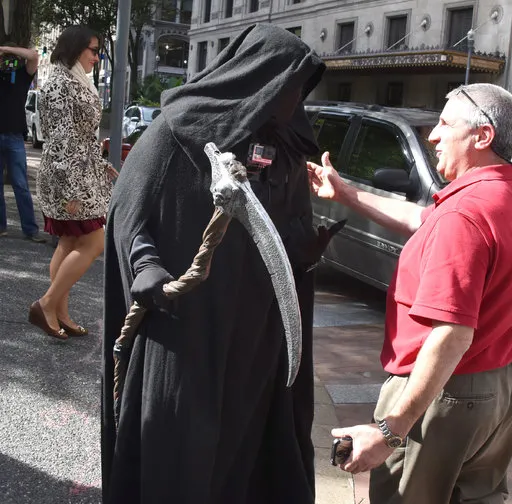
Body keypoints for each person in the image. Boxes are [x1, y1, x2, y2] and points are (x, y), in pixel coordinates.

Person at [102, 24, 331, 503]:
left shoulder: (285, 152)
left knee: (243, 456)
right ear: (260, 78)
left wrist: (301, 250)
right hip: (186, 336)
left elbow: (284, 231)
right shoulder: (177, 133)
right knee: (181, 456)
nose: (295, 99)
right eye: (290, 85)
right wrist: (144, 265)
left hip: (254, 342)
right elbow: (128, 210)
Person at [308, 83, 512, 503]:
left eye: (445, 123)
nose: (432, 135)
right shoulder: (508, 191)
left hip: (453, 391)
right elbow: (422, 218)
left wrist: (388, 432)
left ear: (482, 136)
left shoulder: (465, 213)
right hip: (511, 381)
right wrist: (345, 193)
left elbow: (452, 334)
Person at [30, 26, 117, 340]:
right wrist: (72, 189)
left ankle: (59, 313)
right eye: (93, 50)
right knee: (94, 243)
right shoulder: (60, 82)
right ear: (75, 48)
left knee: (69, 243)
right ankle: (46, 304)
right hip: (67, 176)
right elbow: (65, 139)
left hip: (77, 171)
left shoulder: (75, 79)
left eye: (99, 51)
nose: (97, 57)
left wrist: (104, 166)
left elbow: (82, 138)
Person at [0, 43, 47, 243]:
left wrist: (5, 48)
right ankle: (1, 228)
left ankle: (30, 230)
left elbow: (34, 56)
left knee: (20, 184)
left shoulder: (20, 76)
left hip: (14, 137)